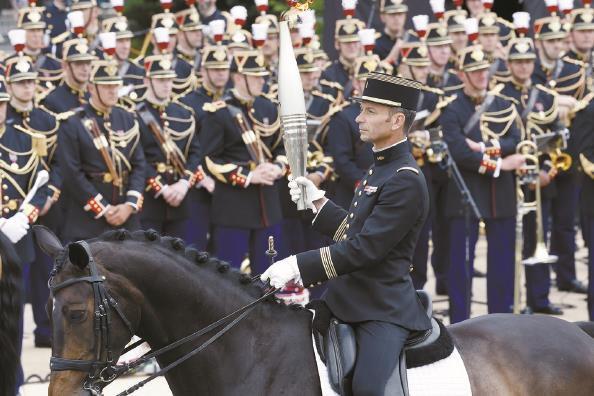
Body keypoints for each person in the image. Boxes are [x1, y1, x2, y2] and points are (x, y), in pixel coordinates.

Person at [262, 72, 432, 396]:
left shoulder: (405, 178)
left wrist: (299, 265)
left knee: (367, 389)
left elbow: (365, 249)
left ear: (397, 120)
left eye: (370, 111)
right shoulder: (381, 166)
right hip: (347, 298)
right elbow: (354, 231)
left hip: (382, 307)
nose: (359, 118)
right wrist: (317, 201)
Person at [440, 44, 524, 323]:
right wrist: (500, 163)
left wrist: (486, 147)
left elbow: (516, 140)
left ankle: (500, 323)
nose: (481, 76)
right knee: (461, 268)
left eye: (484, 70)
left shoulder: (505, 106)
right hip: (465, 198)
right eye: (474, 72)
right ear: (462, 75)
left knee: (502, 265)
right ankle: (461, 325)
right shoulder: (451, 110)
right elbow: (459, 152)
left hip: (502, 198)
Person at [200, 49, 285, 274]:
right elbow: (210, 159)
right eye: (254, 76)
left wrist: (277, 168)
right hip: (233, 207)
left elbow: (282, 149)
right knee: (230, 276)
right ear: (238, 78)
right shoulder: (218, 113)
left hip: (268, 207)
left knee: (269, 276)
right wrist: (249, 176)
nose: (261, 80)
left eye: (262, 75)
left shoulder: (269, 107)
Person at [501, 36, 564, 315]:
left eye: (528, 62)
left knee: (540, 237)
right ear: (509, 64)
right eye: (518, 62)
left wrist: (548, 171)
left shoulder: (546, 96)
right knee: (512, 241)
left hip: (539, 181)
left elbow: (557, 140)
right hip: (509, 180)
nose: (524, 67)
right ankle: (513, 299)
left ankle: (540, 299)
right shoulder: (498, 96)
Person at [58, 57, 146, 242]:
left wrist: (129, 205)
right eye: (106, 86)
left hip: (126, 217)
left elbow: (139, 164)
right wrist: (104, 209)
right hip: (87, 220)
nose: (113, 90)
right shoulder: (73, 123)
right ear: (91, 88)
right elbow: (72, 173)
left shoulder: (127, 118)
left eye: (115, 85)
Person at [0, 75, 47, 390]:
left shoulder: (24, 140)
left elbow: (40, 189)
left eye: (2, 104)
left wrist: (24, 218)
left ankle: (12, 384)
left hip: (16, 241)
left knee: (12, 320)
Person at [136, 53, 204, 239]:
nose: (167, 85)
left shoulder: (183, 113)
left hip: (181, 199)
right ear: (146, 81)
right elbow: (138, 159)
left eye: (169, 79)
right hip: (150, 201)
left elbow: (195, 153)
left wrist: (183, 183)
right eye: (160, 80)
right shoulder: (134, 115)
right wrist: (163, 189)